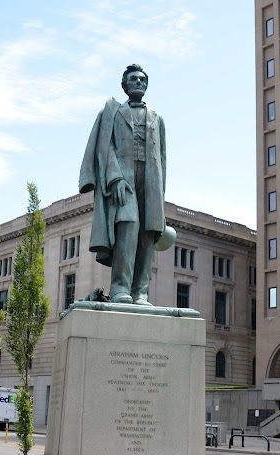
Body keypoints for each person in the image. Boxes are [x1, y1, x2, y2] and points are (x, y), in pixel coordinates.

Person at [79, 64, 174, 305]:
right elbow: (105, 147)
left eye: (142, 79)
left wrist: (161, 195)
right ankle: (120, 288)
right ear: (124, 85)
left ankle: (140, 292)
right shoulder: (113, 112)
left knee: (147, 235)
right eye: (133, 79)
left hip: (151, 183)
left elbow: (162, 157)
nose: (138, 82)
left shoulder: (157, 117)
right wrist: (115, 178)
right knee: (128, 226)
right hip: (124, 180)